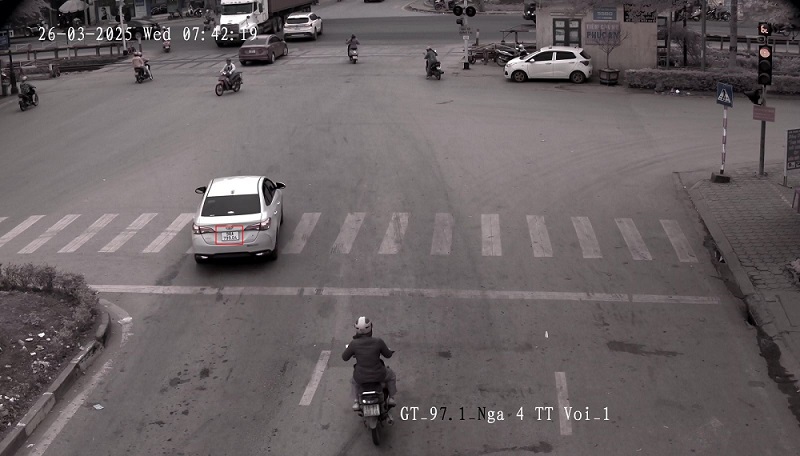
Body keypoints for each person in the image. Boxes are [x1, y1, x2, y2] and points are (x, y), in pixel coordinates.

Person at [341, 317, 397, 411]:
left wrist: (352, 351)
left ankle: (356, 401)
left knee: (353, 382)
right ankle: (391, 398)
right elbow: (387, 355)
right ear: (371, 328)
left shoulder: (354, 343)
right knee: (391, 376)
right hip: (380, 375)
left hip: (360, 377)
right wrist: (390, 352)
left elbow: (344, 357)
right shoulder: (378, 341)